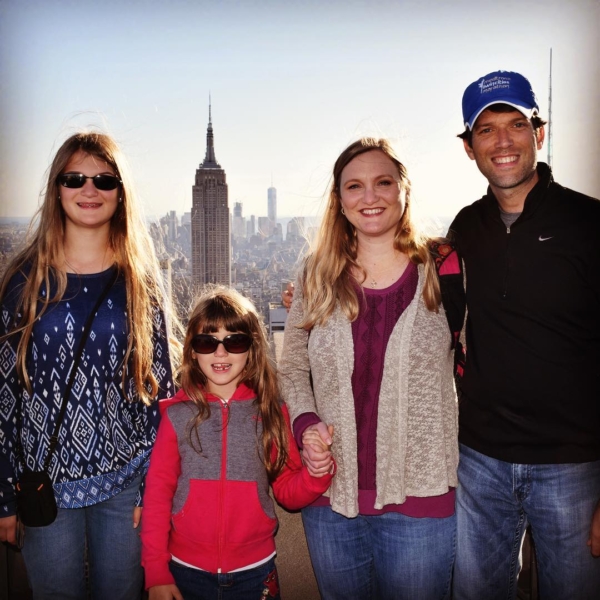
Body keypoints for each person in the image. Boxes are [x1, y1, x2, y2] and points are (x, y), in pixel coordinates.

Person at [279, 138, 459, 600]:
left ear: (404, 190)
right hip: (332, 498)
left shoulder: (444, 269)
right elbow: (293, 365)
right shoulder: (315, 275)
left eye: (383, 183)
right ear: (339, 201)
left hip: (422, 498)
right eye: (354, 187)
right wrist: (305, 422)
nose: (370, 197)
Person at [0, 132, 177, 599]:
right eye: (75, 178)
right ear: (57, 189)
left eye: (104, 179)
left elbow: (163, 394)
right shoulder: (23, 281)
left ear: (121, 193)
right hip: (44, 489)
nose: (89, 190)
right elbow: (3, 398)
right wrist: (2, 497)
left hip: (125, 484)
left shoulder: (140, 282)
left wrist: (152, 492)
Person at [449, 70, 600, 599]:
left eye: (516, 124)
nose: (503, 141)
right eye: (486, 130)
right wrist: (315, 290)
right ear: (469, 148)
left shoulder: (589, 223)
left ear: (540, 133)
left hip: (574, 467)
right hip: (480, 459)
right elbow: (419, 299)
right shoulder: (465, 228)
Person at [140, 286, 335, 600]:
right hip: (183, 570)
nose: (221, 353)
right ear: (192, 350)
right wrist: (156, 571)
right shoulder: (176, 416)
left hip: (255, 571)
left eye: (235, 341)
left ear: (252, 348)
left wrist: (316, 474)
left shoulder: (271, 412)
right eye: (207, 342)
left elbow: (286, 487)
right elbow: (158, 497)